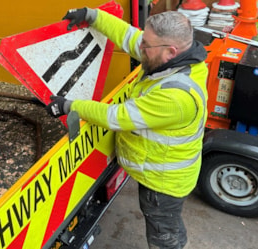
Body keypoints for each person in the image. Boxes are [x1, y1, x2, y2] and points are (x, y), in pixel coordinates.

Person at [46, 8, 208, 249]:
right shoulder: (171, 58)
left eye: (146, 45)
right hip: (159, 170)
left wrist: (70, 105)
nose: (140, 47)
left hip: (163, 183)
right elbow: (127, 35)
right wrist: (91, 16)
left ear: (170, 51)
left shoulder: (177, 96)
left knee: (163, 234)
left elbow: (117, 117)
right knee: (168, 224)